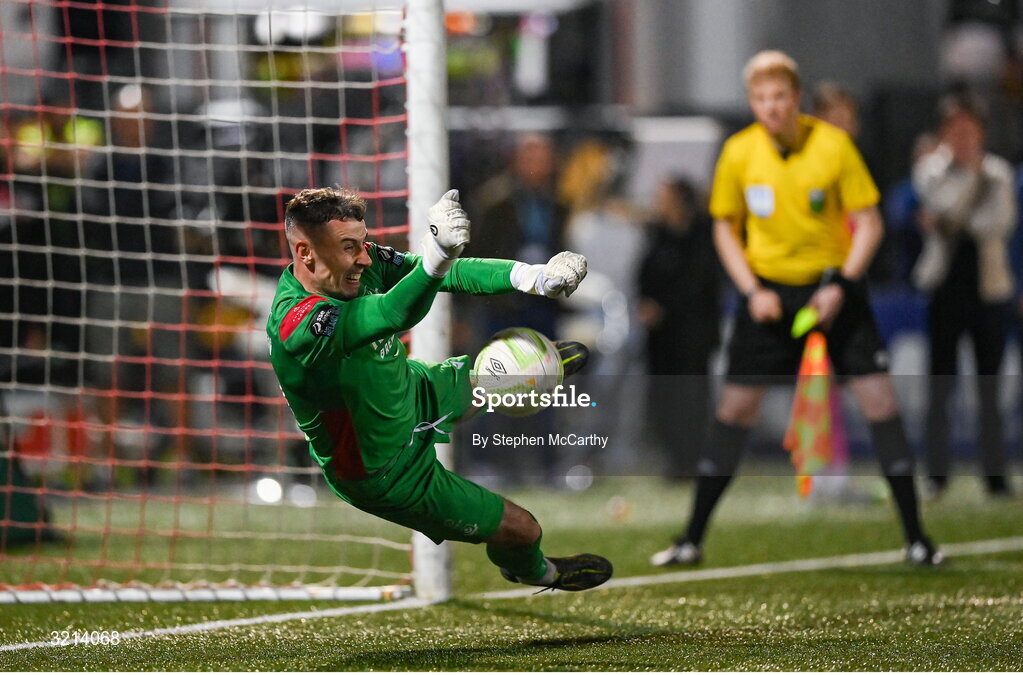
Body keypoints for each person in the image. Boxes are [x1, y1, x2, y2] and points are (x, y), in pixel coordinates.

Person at [650, 50, 943, 568]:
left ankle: (918, 538)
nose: (771, 107)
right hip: (768, 294)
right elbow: (724, 226)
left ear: (796, 97)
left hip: (833, 290)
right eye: (761, 98)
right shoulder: (739, 152)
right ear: (752, 101)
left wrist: (843, 286)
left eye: (780, 96)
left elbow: (869, 223)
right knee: (734, 411)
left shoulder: (833, 146)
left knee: (880, 403)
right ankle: (690, 538)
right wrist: (751, 291)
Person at [266, 186, 612, 591]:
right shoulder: (300, 324)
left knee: (522, 369)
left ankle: (535, 370)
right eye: (348, 247)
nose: (364, 257)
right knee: (523, 529)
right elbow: (395, 312)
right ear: (306, 253)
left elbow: (449, 274)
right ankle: (538, 571)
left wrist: (532, 276)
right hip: (386, 470)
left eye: (363, 243)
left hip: (415, 390)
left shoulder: (358, 264)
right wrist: (439, 254)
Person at [912, 92, 1017, 497]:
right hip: (945, 289)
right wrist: (970, 186)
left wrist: (952, 215)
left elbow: (998, 224)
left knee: (989, 389)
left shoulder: (1000, 173)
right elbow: (944, 208)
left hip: (989, 290)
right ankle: (937, 475)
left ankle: (996, 476)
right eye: (955, 130)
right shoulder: (931, 170)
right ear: (943, 134)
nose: (963, 137)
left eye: (970, 130)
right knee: (940, 385)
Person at [637, 177, 721, 479]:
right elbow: (644, 274)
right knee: (664, 398)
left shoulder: (702, 235)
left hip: (691, 334)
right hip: (661, 338)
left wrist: (664, 307)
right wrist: (645, 303)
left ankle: (693, 459)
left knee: (692, 398)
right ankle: (673, 459)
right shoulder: (657, 235)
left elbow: (699, 283)